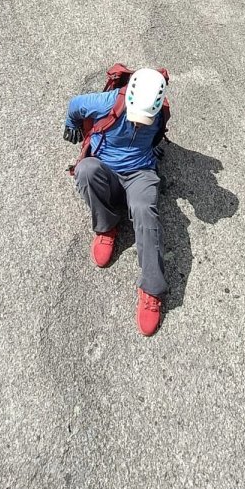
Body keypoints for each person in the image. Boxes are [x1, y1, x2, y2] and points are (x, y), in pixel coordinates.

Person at [64, 68, 169, 336]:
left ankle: (151, 289)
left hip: (140, 173)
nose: (138, 123)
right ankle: (106, 226)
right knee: (86, 170)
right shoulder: (108, 101)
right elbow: (75, 105)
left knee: (146, 212)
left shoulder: (162, 111)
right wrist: (70, 124)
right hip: (105, 170)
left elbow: (158, 136)